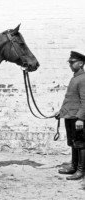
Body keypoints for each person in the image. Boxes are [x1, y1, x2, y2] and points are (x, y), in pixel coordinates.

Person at [55, 51, 85, 180]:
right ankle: (74, 166)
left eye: (72, 62)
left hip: (77, 118)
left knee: (81, 144)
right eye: (70, 62)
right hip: (70, 116)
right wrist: (61, 112)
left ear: (81, 63)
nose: (70, 64)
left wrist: (81, 118)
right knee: (73, 143)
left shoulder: (83, 79)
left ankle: (80, 170)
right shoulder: (75, 78)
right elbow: (70, 99)